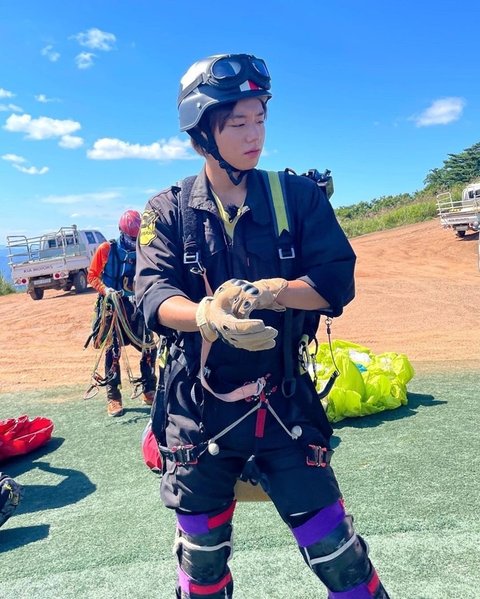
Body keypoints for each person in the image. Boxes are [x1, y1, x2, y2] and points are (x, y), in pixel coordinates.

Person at [135, 54, 390, 598]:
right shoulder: (167, 211)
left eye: (260, 119)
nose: (254, 135)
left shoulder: (297, 198)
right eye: (237, 123)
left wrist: (276, 292)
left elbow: (335, 281)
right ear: (202, 134)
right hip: (196, 414)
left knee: (340, 559)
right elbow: (152, 296)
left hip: (284, 404)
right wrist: (205, 316)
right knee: (201, 564)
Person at [87, 210, 157, 417]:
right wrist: (105, 290)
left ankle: (149, 390)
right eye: (130, 238)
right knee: (113, 351)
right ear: (121, 232)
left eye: (136, 238)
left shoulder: (144, 249)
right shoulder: (106, 249)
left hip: (137, 305)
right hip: (113, 307)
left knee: (149, 347)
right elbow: (92, 276)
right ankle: (114, 397)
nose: (133, 242)